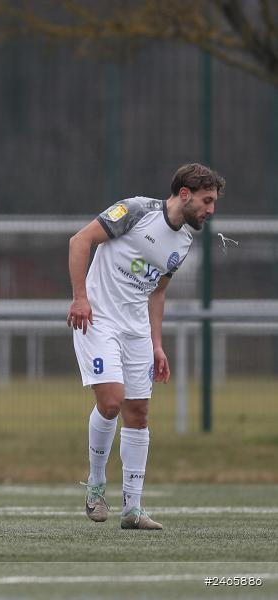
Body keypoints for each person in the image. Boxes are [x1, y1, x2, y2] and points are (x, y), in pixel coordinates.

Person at [68, 163, 224, 530]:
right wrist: (79, 299)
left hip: (137, 331)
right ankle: (95, 485)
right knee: (111, 402)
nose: (211, 210)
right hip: (99, 319)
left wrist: (157, 344)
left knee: (138, 413)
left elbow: (157, 293)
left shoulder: (184, 241)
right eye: (207, 200)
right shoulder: (136, 211)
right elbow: (80, 241)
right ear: (184, 194)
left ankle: (133, 510)